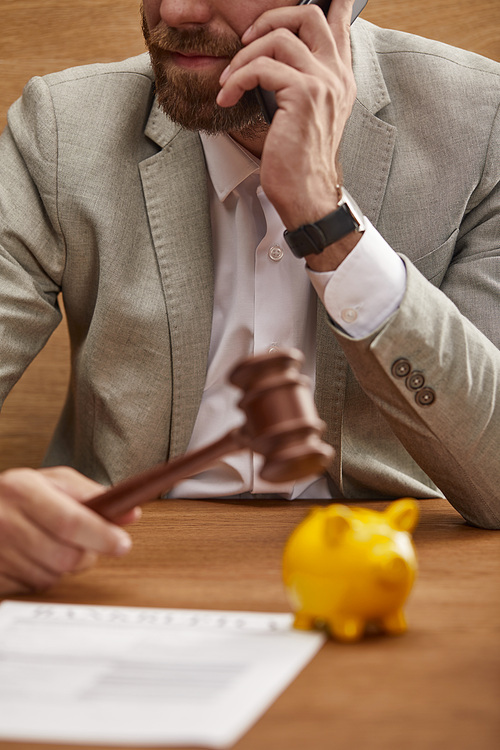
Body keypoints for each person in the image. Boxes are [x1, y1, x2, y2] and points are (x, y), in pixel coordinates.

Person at [0, 0, 498, 595]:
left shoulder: (482, 121)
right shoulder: (60, 129)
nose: (178, 9)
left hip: (399, 572)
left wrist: (325, 220)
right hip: (120, 576)